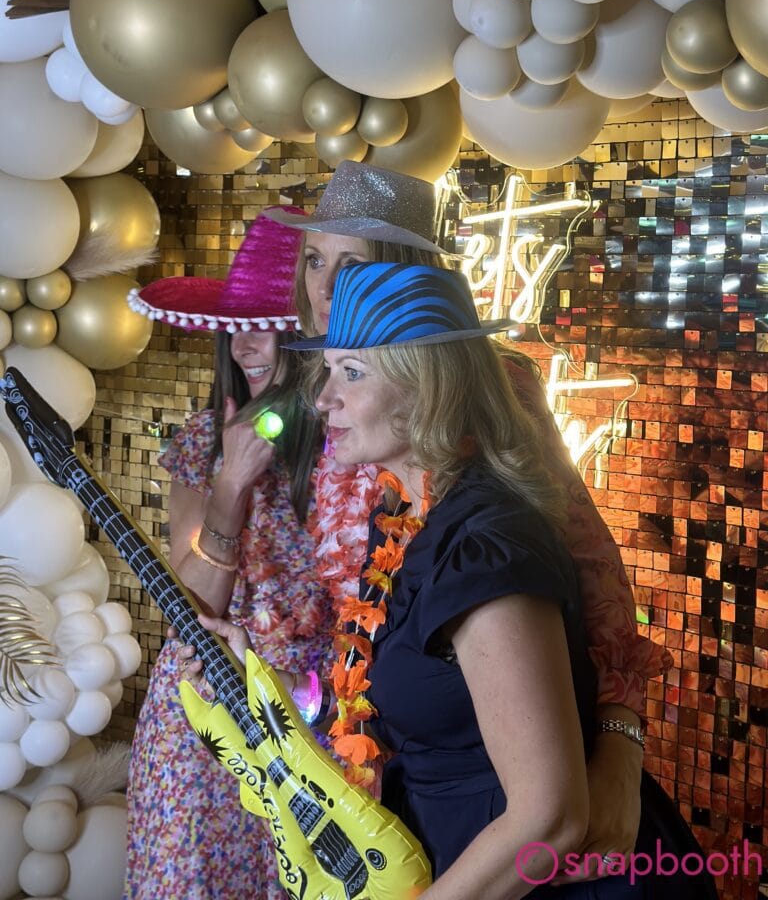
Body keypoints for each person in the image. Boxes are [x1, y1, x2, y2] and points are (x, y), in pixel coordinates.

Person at [189, 262, 715, 899]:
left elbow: (548, 819)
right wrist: (255, 685)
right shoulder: (407, 519)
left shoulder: (483, 546)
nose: (323, 398)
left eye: (351, 372)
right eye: (328, 371)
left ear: (424, 392)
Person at [265, 160, 673, 872]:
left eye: (352, 263)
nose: (325, 286)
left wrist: (618, 741)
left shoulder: (484, 390)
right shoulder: (316, 392)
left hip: (484, 750)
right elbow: (337, 586)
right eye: (313, 261)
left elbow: (588, 565)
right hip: (376, 729)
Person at [123, 214, 334, 900]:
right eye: (235, 324)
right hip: (207, 717)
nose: (245, 344)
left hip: (318, 725)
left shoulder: (354, 438)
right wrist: (230, 487)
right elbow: (193, 611)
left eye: (268, 323)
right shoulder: (201, 442)